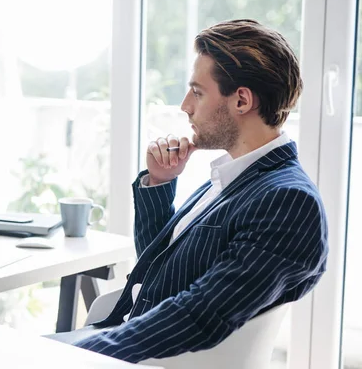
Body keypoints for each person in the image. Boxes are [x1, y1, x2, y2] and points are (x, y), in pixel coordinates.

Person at [49, 19, 329, 363]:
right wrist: (161, 182)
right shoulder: (237, 177)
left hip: (146, 357)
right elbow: (161, 269)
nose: (185, 105)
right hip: (125, 338)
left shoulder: (287, 202)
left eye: (197, 92)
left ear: (241, 100)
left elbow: (200, 314)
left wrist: (76, 354)